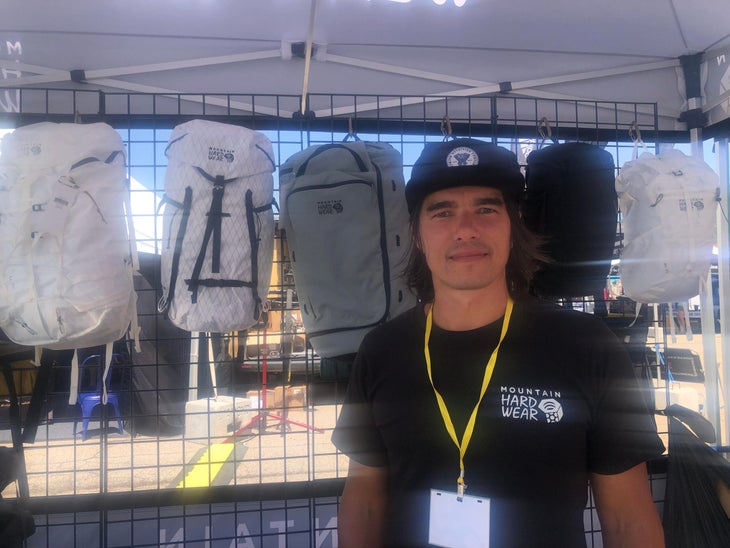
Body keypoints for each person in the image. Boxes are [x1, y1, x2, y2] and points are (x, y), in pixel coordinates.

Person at [331, 138, 665, 547]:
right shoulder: (381, 351)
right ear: (417, 234)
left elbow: (629, 518)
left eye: (486, 209)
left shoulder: (587, 346)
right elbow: (363, 499)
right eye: (443, 212)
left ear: (514, 226)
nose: (466, 229)